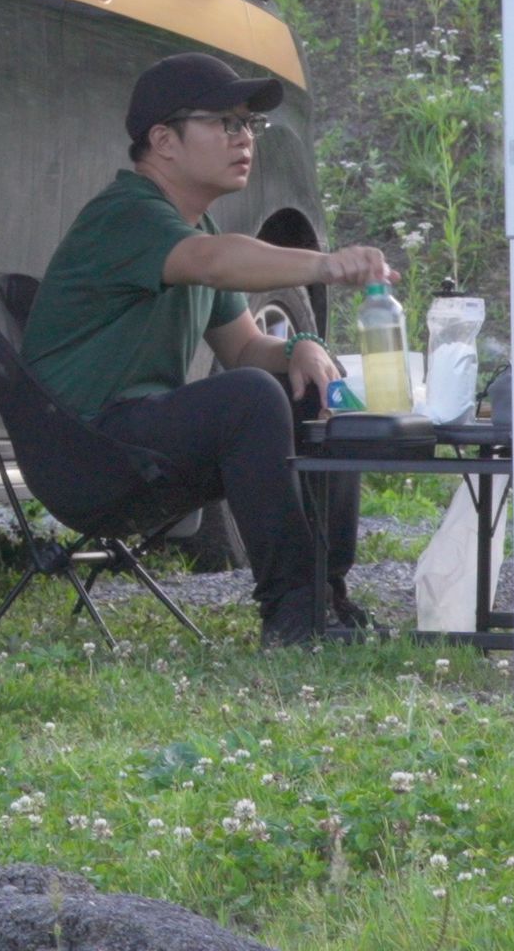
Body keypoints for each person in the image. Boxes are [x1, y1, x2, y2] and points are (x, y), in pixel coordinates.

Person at [20, 51, 390, 645]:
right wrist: (325, 264)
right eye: (226, 123)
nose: (245, 139)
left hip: (133, 438)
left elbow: (245, 347)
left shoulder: (195, 226)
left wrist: (301, 347)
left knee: (318, 387)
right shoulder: (127, 215)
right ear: (164, 140)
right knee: (247, 399)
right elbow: (214, 267)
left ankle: (325, 597)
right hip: (85, 449)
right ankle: (292, 615)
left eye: (250, 125)